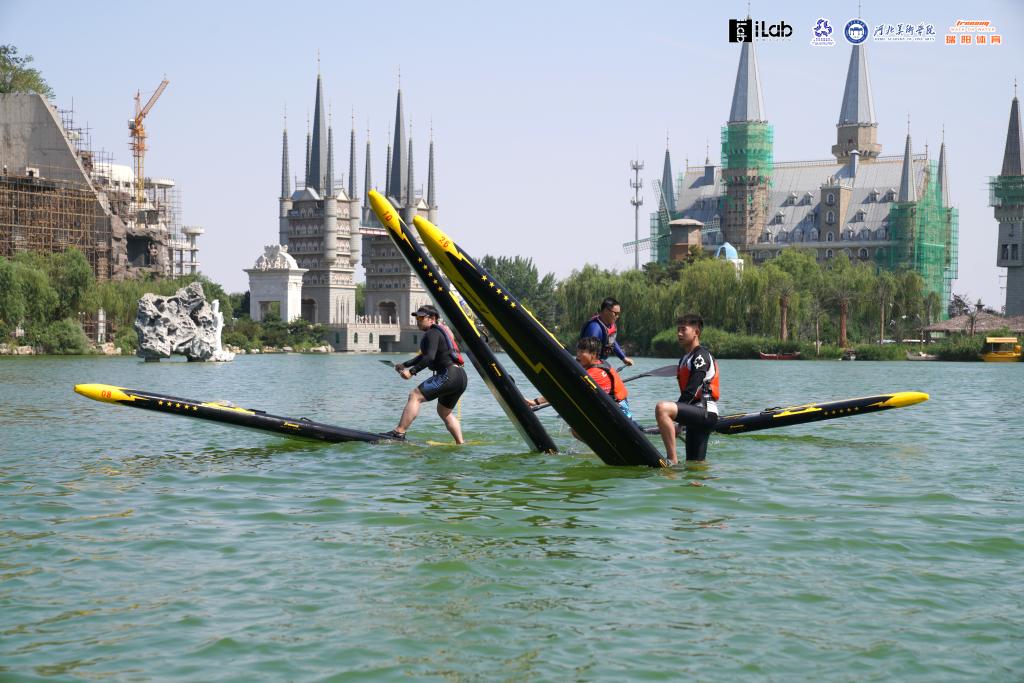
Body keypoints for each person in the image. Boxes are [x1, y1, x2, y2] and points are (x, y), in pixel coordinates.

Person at [385, 305, 468, 443]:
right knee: (444, 412)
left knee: (415, 396)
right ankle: (460, 443)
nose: (418, 321)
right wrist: (404, 365)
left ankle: (399, 432)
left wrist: (411, 372)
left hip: (448, 374)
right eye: (417, 318)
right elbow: (424, 356)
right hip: (460, 377)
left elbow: (429, 358)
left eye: (421, 318)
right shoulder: (439, 332)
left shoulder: (432, 333)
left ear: (432, 319)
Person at [654, 314, 720, 464]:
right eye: (678, 330)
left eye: (683, 330)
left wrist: (677, 419)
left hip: (705, 412)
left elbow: (692, 389)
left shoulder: (701, 356)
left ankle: (672, 461)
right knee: (695, 465)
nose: (679, 333)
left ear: (696, 332)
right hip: (696, 415)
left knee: (662, 409)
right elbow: (689, 396)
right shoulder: (685, 358)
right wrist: (681, 423)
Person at [528, 336, 633, 421]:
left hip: (620, 414)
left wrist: (536, 402)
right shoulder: (600, 363)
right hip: (618, 408)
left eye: (582, 352)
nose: (578, 355)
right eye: (578, 351)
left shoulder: (593, 374)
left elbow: (563, 390)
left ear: (593, 354)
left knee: (576, 428)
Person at [579, 296, 633, 367]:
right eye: (615, 313)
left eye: (618, 314)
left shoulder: (609, 326)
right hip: (587, 366)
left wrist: (623, 358)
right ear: (606, 311)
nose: (617, 316)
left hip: (598, 363)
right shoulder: (594, 328)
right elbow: (587, 354)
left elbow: (611, 342)